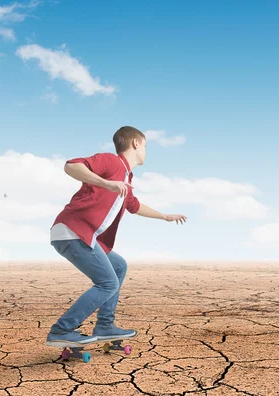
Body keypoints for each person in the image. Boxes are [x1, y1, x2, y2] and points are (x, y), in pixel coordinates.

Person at [46, 126, 187, 347]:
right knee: (107, 283)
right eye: (146, 146)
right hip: (72, 231)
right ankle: (61, 330)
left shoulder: (126, 177)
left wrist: (165, 217)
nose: (146, 151)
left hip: (83, 235)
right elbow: (71, 165)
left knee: (118, 266)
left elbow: (133, 205)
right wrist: (106, 183)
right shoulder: (112, 162)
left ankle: (105, 326)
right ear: (135, 143)